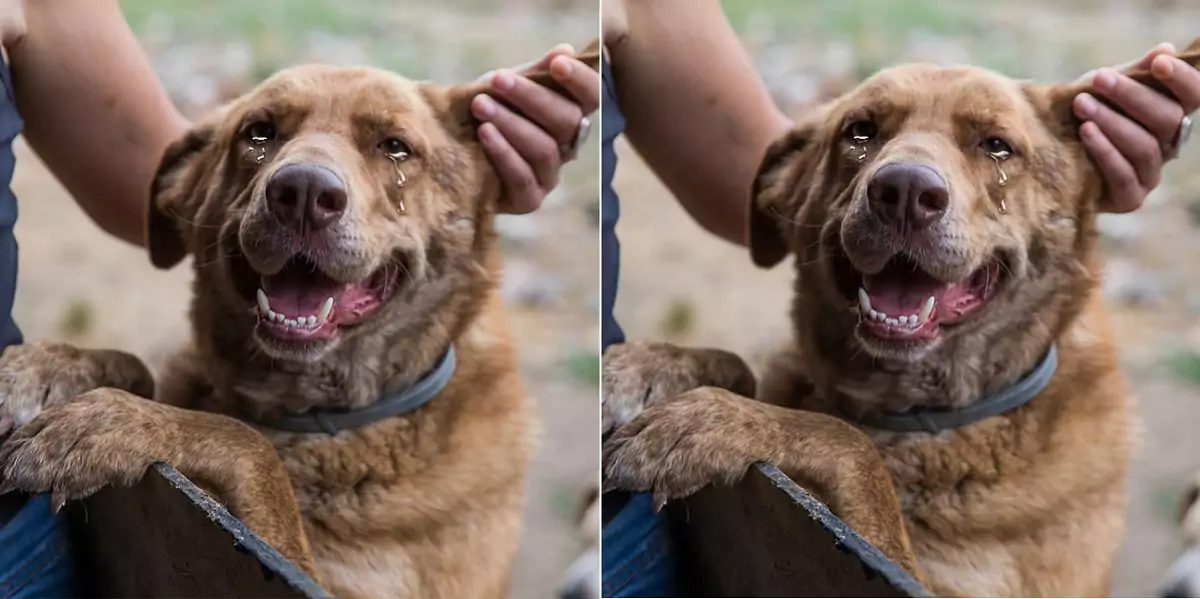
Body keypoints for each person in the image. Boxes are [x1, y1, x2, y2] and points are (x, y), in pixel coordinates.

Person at [598, 0, 1200, 596]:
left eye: (993, 145)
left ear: (1065, 193)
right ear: (790, 190)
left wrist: (833, 457)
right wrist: (719, 381)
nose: (907, 175)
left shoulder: (1067, 471)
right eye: (862, 134)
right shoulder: (770, 406)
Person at [0, 1, 598, 596]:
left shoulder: (466, 470)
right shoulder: (169, 406)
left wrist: (232, 458)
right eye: (262, 135)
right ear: (188, 191)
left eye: (393, 146)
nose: (306, 176)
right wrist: (112, 382)